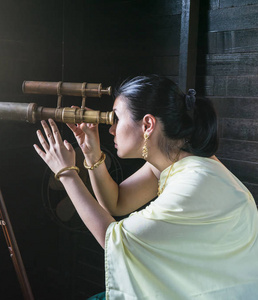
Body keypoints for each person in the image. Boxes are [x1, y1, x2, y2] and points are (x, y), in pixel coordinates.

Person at [33, 75, 258, 299]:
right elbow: (116, 202)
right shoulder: (176, 162)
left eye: (117, 119)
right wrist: (91, 154)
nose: (111, 130)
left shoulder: (193, 182)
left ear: (148, 125)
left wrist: (67, 174)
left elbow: (114, 240)